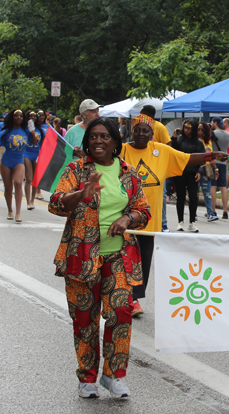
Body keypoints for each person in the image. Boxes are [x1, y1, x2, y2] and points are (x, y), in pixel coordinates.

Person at [48, 117, 151, 399]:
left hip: (119, 256)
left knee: (120, 314)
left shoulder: (129, 174)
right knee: (85, 320)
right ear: (87, 141)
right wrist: (82, 193)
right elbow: (55, 203)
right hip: (81, 257)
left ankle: (114, 376)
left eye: (105, 136)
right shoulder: (76, 170)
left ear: (116, 142)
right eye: (93, 136)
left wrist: (127, 217)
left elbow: (144, 210)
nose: (98, 141)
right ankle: (87, 378)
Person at [120, 114, 228, 316]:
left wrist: (211, 156)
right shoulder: (122, 150)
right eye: (137, 129)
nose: (141, 134)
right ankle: (123, 297)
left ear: (152, 134)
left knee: (143, 260)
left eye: (145, 130)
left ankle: (133, 298)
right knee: (123, 259)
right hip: (122, 218)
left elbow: (187, 159)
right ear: (131, 131)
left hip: (148, 221)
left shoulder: (160, 151)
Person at [0, 109, 37, 222]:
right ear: (12, 117)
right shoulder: (6, 131)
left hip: (19, 161)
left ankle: (18, 213)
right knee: (8, 187)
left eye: (21, 116)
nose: (19, 118)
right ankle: (10, 210)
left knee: (18, 182)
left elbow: (34, 142)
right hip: (6, 161)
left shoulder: (26, 131)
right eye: (16, 116)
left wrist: (32, 132)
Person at [171, 119, 205, 232]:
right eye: (185, 127)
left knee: (193, 197)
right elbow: (173, 152)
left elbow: (202, 159)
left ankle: (192, 222)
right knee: (180, 197)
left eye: (189, 128)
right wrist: (174, 139)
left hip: (193, 173)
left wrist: (199, 171)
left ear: (193, 129)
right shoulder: (179, 139)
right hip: (180, 172)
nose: (186, 130)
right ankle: (180, 221)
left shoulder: (199, 143)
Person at [210, 117, 229, 218]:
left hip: (214, 161)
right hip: (223, 162)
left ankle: (213, 210)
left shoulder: (213, 133)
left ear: (215, 123)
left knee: (213, 186)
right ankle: (225, 211)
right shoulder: (228, 134)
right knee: (223, 187)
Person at [197, 121, 219, 221]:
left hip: (206, 169)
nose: (200, 131)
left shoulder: (207, 141)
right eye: (198, 129)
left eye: (202, 129)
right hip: (196, 168)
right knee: (195, 192)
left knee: (207, 192)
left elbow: (210, 156)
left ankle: (210, 213)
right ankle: (194, 213)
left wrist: (216, 169)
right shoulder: (195, 140)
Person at [24, 110, 44, 210]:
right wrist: (31, 132)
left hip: (36, 155)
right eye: (31, 116)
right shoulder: (25, 129)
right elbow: (32, 141)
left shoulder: (39, 130)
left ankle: (32, 200)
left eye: (35, 116)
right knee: (29, 178)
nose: (33, 118)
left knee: (36, 179)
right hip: (26, 154)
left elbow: (44, 143)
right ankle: (28, 202)